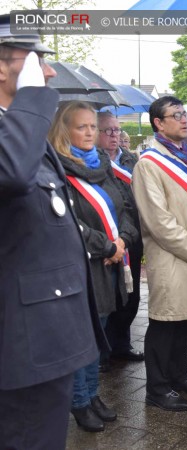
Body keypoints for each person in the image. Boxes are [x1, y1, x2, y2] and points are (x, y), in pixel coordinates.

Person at [0, 19, 105, 449]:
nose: (47, 75)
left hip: (45, 332)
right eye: (37, 62)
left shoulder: (19, 130)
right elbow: (11, 176)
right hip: (22, 344)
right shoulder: (17, 133)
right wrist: (30, 99)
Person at [48, 101, 139, 432]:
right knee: (83, 336)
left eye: (93, 127)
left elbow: (124, 206)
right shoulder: (57, 168)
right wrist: (108, 246)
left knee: (98, 331)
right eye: (81, 127)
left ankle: (92, 394)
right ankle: (79, 401)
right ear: (64, 130)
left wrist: (124, 241)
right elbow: (68, 221)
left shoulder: (102, 164)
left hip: (111, 262)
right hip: (83, 265)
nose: (90, 133)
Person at [133, 96, 187, 412]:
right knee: (165, 323)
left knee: (186, 319)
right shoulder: (149, 165)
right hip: (172, 258)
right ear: (159, 122)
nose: (184, 119)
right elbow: (159, 223)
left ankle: (179, 376)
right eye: (177, 114)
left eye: (185, 113)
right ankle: (156, 388)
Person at [96, 111, 145, 371]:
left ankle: (122, 345)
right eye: (108, 130)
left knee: (130, 293)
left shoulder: (130, 159)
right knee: (109, 297)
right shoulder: (92, 162)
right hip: (106, 240)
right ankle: (105, 351)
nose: (115, 135)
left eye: (117, 130)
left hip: (131, 236)